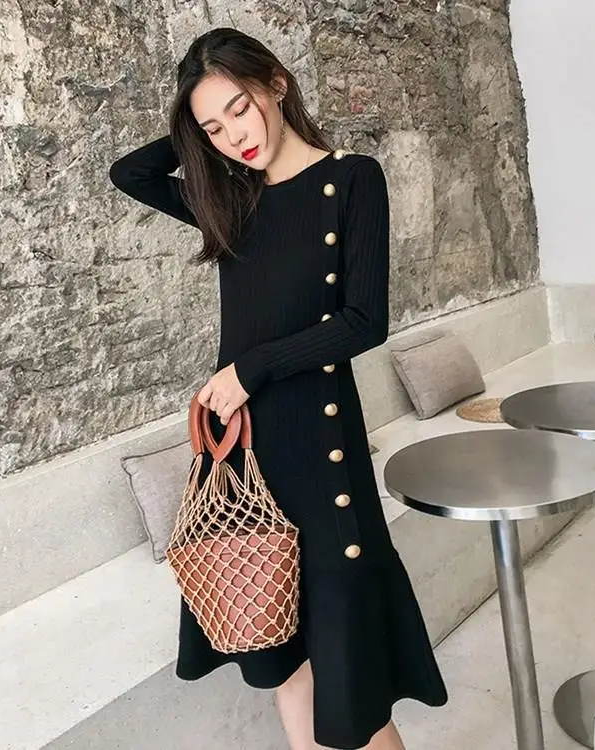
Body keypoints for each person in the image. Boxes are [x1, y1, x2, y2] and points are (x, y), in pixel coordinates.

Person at [109, 26, 447, 750]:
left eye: (240, 107)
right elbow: (130, 173)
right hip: (244, 454)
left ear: (276, 83)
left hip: (320, 449)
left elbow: (364, 321)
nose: (234, 135)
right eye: (212, 127)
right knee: (282, 660)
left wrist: (250, 369)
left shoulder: (352, 179)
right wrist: (194, 122)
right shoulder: (229, 197)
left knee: (352, 681)